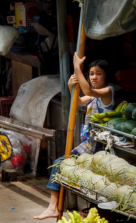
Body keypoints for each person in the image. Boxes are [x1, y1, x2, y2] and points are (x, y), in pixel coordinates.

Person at [34, 57, 115, 220]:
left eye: (98, 74)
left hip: (100, 150)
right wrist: (72, 86)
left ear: (107, 76)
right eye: (91, 74)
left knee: (59, 163)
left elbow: (88, 92)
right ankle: (52, 207)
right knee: (59, 164)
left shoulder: (108, 92)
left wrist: (77, 68)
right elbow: (78, 101)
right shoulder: (93, 97)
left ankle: (53, 208)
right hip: (88, 146)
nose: (93, 77)